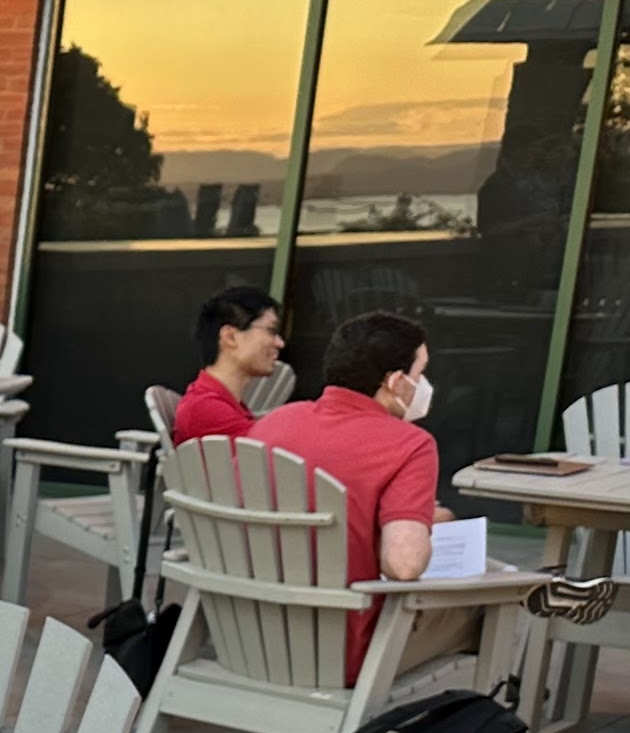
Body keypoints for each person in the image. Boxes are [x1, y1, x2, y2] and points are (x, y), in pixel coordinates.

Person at [251, 312, 444, 681]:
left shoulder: (272, 423)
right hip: (343, 650)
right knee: (486, 611)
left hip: (252, 633)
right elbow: (404, 566)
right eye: (419, 375)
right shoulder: (410, 445)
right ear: (395, 382)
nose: (423, 386)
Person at [173, 285, 284, 443]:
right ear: (230, 337)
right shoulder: (206, 409)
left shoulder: (221, 404)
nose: (280, 343)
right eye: (271, 330)